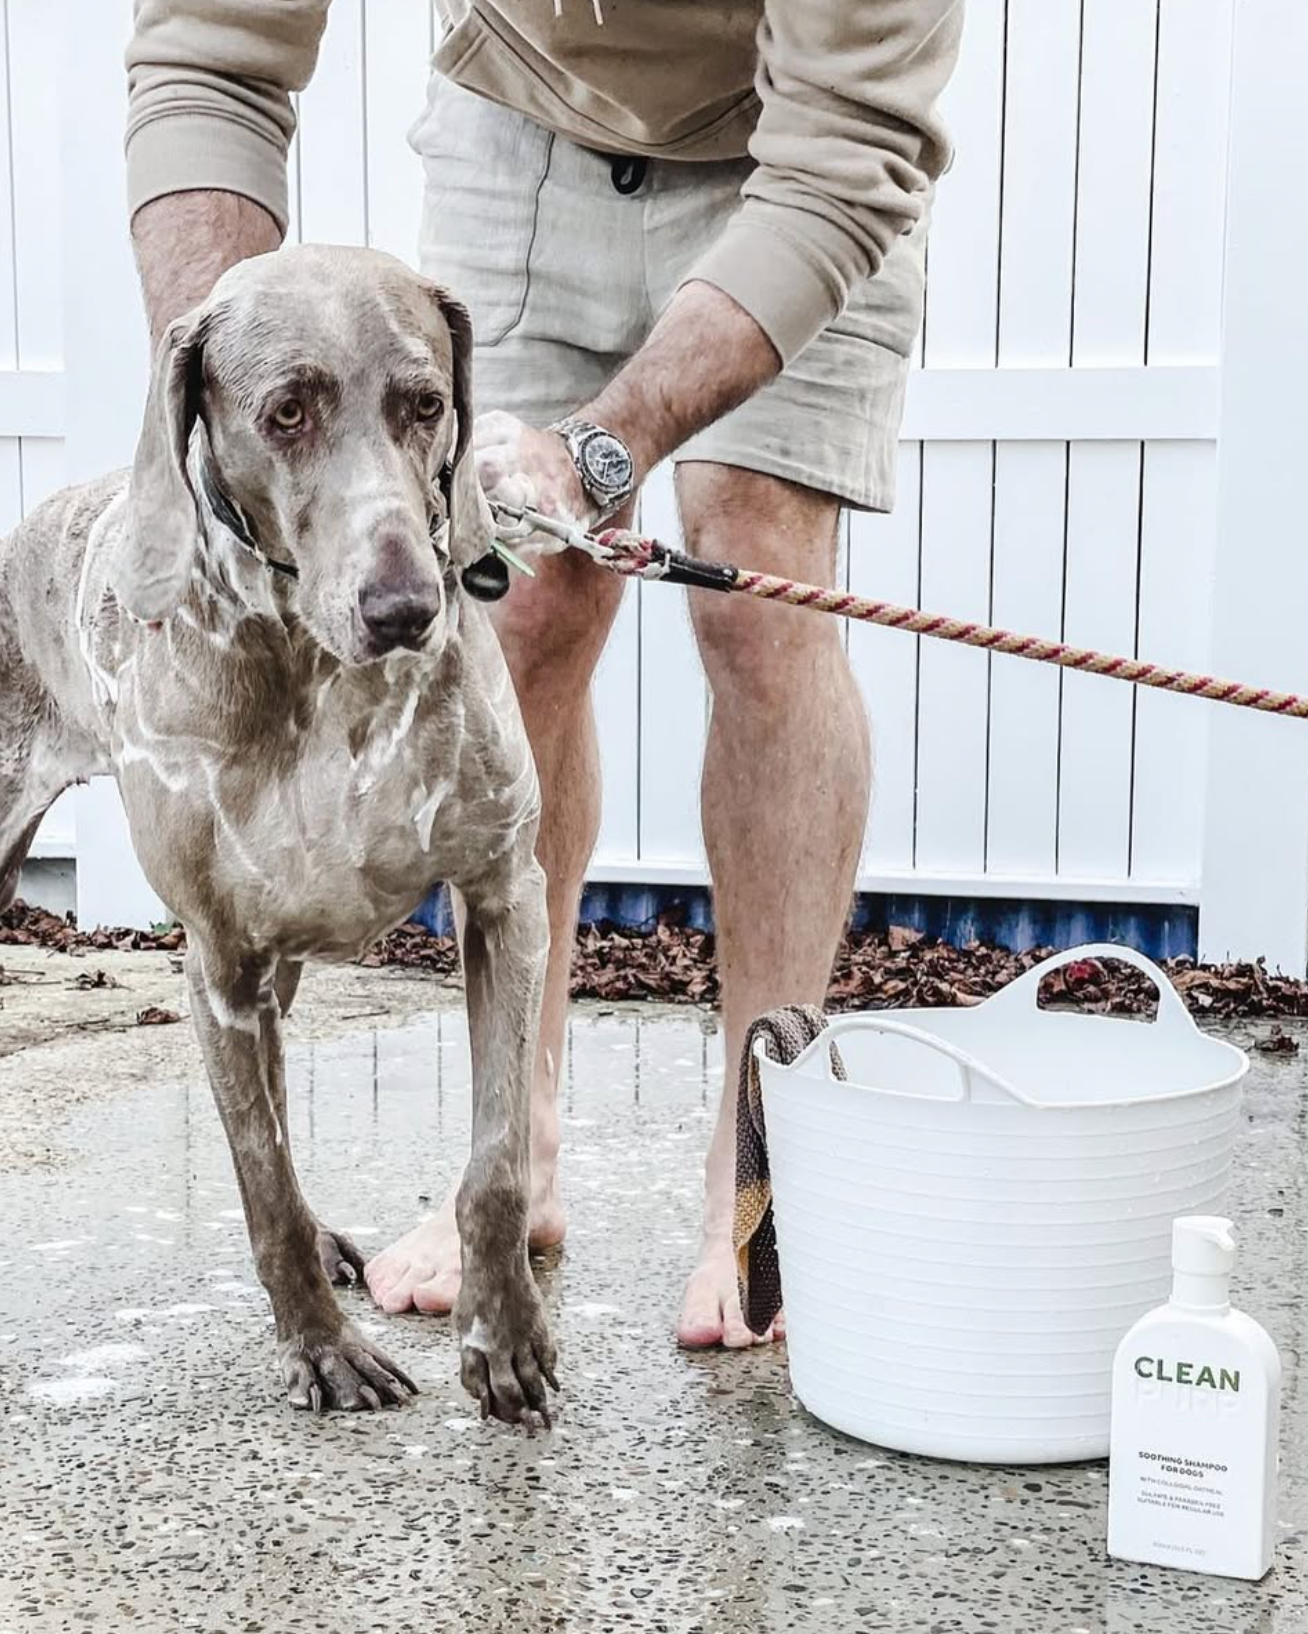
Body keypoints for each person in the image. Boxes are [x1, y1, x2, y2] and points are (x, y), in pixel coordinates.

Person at [126, 0, 963, 1349]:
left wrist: (611, 443)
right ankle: (523, 1151)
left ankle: (760, 1177)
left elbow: (846, 146)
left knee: (757, 588)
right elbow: (209, 50)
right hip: (525, 121)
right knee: (520, 607)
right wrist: (215, 395)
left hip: (793, 155)